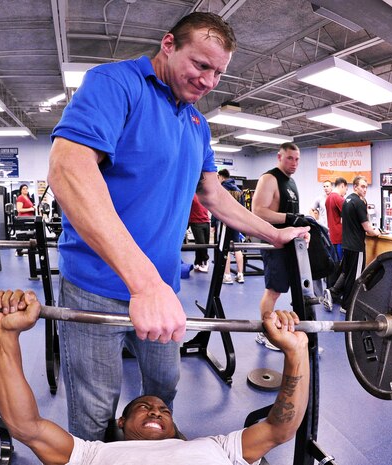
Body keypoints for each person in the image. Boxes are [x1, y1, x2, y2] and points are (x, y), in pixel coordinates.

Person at [47, 12, 309, 440]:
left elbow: (212, 196)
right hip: (95, 287)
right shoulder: (116, 84)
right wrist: (143, 284)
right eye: (201, 65)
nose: (208, 81)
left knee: (163, 391)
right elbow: (67, 169)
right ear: (168, 45)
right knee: (95, 411)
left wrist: (273, 234)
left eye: (218, 73)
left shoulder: (196, 124)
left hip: (163, 291)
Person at [0, 289, 309, 465]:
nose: (157, 410)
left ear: (177, 429)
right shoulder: (93, 453)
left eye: (163, 410)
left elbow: (279, 429)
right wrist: (5, 335)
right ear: (120, 424)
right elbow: (26, 427)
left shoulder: (218, 447)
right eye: (143, 407)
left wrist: (296, 352)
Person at [251, 142, 305, 350]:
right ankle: (264, 334)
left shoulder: (291, 183)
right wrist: (289, 217)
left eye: (297, 159)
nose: (294, 163)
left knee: (298, 292)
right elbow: (258, 210)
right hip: (274, 243)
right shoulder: (269, 178)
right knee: (273, 290)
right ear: (279, 157)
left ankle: (300, 335)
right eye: (289, 158)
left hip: (291, 245)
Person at [328, 176, 380, 313]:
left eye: (366, 187)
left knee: (347, 274)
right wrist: (377, 232)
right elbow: (367, 227)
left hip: (346, 244)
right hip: (356, 246)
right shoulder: (358, 203)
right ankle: (347, 306)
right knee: (356, 277)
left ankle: (334, 294)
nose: (365, 189)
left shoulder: (347, 200)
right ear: (355, 187)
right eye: (362, 186)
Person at [217, 169, 245, 284]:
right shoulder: (239, 191)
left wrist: (214, 223)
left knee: (225, 249)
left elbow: (217, 208)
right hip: (237, 223)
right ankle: (240, 274)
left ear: (221, 177)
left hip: (225, 223)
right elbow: (243, 210)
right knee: (237, 248)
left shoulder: (221, 189)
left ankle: (227, 275)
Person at [325, 177, 347, 261]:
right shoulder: (339, 199)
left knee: (334, 263)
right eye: (346, 189)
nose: (345, 193)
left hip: (332, 236)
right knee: (341, 264)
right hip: (339, 237)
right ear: (342, 186)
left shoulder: (328, 198)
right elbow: (349, 216)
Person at [188, 193, 210, 273]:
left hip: (206, 222)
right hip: (195, 222)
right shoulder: (192, 195)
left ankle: (197, 262)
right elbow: (187, 209)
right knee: (201, 243)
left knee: (202, 244)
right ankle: (205, 261)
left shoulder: (204, 195)